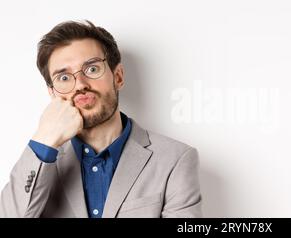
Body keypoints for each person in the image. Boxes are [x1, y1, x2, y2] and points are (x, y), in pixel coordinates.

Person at [0, 20, 202, 218]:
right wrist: (45, 138)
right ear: (53, 94)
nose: (80, 85)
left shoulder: (175, 159)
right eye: (64, 77)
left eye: (92, 69)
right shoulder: (40, 161)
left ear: (118, 77)